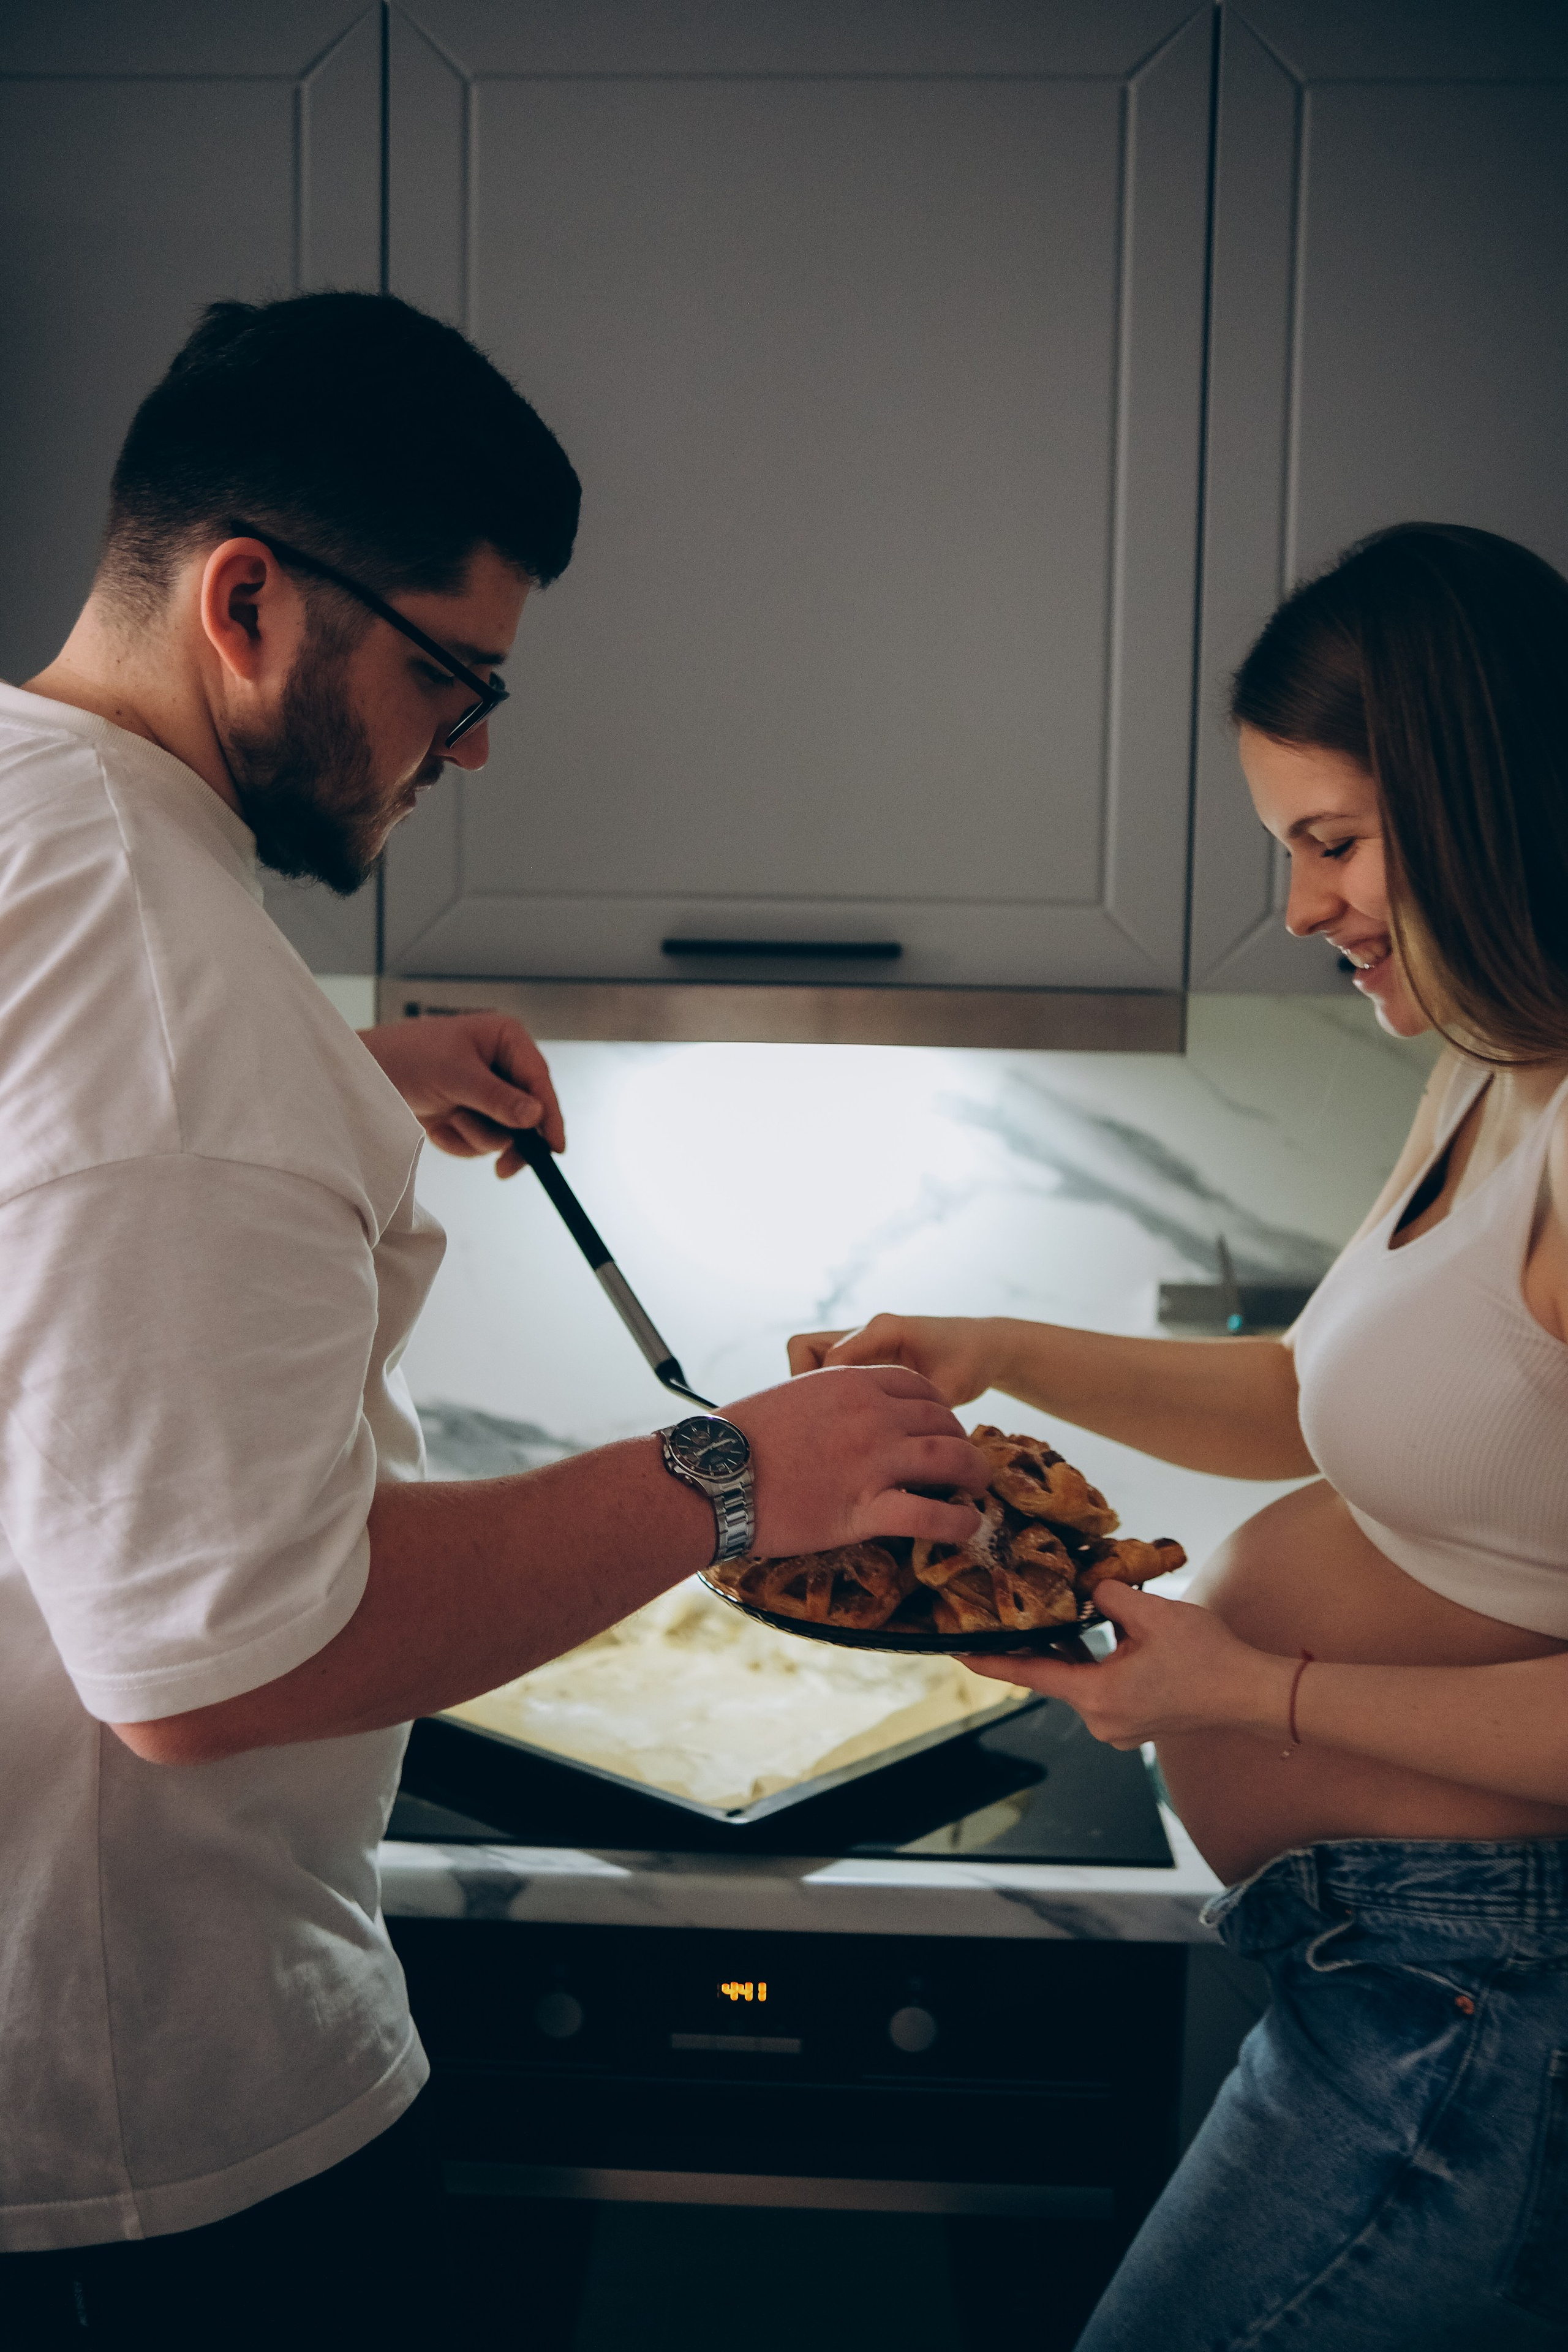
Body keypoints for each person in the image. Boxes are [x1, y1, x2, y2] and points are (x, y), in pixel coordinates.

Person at [0, 292, 989, 2334]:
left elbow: (64, 1169)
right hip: (147, 2136)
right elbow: (215, 1665)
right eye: (451, 676)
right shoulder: (173, 991)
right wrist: (734, 1475)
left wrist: (339, 1080)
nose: (469, 746)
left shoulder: (42, 825)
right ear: (248, 603)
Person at [792, 524, 1568, 2348]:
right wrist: (993, 1350)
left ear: (1492, 803)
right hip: (1397, 1962)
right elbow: (1313, 1396)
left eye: (1334, 843)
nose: (1299, 911)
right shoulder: (1496, 1064)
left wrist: (1246, 1690)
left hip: (1479, 1989)